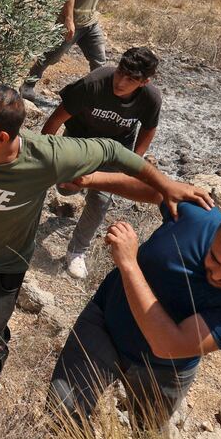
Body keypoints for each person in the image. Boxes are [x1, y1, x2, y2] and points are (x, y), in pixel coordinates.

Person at [0, 84, 212, 404]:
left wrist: (166, 185)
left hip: (0, 267)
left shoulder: (48, 156)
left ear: (1, 137)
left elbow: (113, 151)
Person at [47, 171, 221, 429]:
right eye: (214, 258)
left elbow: (168, 346)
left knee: (148, 434)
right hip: (105, 325)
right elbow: (155, 191)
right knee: (61, 412)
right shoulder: (198, 216)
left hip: (164, 368)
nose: (218, 273)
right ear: (219, 230)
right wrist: (90, 180)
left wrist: (129, 263)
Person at [42, 47, 161, 279]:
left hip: (114, 150)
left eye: (131, 79)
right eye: (120, 72)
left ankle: (77, 250)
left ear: (144, 82)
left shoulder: (151, 98)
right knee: (65, 188)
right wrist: (46, 154)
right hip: (78, 142)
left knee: (100, 198)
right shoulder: (93, 84)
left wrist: (133, 164)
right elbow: (55, 120)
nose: (121, 82)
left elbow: (149, 129)